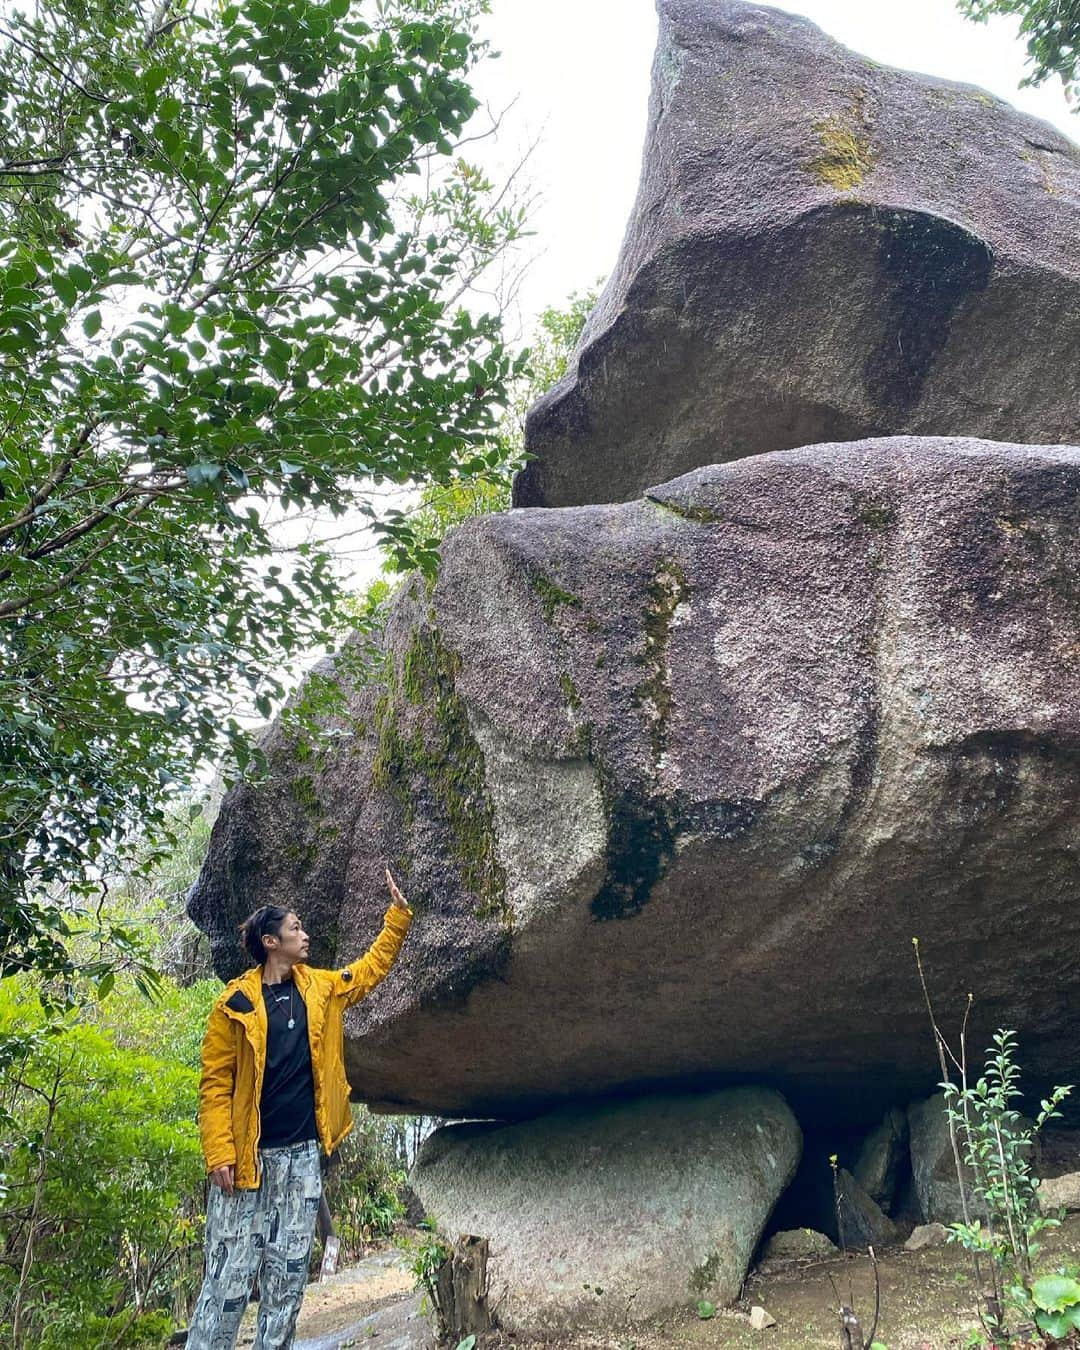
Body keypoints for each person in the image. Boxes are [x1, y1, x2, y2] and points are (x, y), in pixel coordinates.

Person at [187, 868, 413, 1350]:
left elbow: (369, 971)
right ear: (271, 942)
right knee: (228, 1280)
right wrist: (219, 1152)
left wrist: (396, 917)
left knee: (287, 1280)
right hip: (247, 1164)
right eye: (295, 929)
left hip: (302, 1158)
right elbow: (214, 1085)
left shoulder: (321, 989)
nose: (305, 935)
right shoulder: (235, 1003)